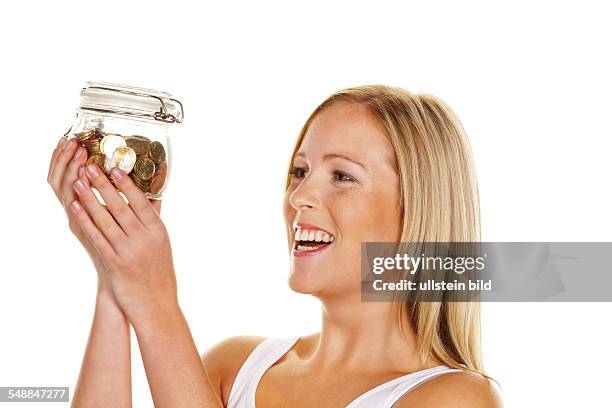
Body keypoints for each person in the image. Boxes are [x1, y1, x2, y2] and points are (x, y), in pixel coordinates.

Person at [47, 84, 502, 407]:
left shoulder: (454, 398)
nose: (298, 197)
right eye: (300, 172)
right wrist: (115, 276)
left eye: (342, 176)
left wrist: (155, 303)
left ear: (418, 212)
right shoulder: (236, 366)